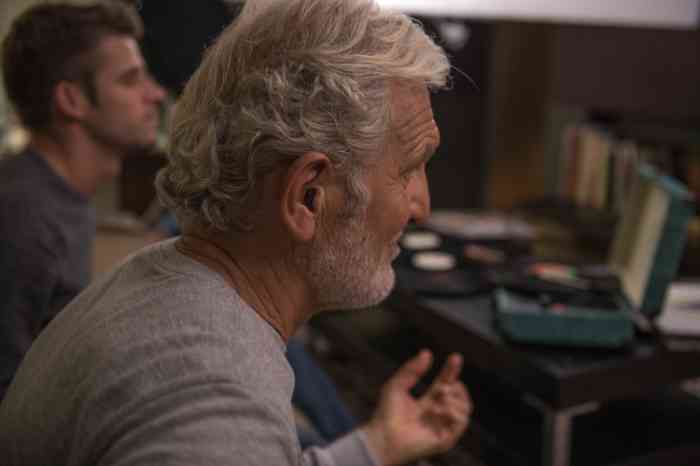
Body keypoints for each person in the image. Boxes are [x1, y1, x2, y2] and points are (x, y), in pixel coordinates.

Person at [0, 0, 472, 465]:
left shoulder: (164, 279)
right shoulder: (211, 401)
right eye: (409, 168)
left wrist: (375, 447)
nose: (421, 207)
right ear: (308, 196)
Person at [0, 0, 165, 400]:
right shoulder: (24, 220)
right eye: (130, 80)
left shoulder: (61, 197)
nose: (156, 94)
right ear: (72, 101)